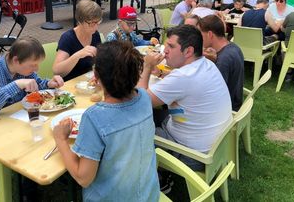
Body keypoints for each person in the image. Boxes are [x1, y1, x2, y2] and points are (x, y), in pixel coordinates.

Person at [53, 41, 160, 201]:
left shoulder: (95, 117)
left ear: (96, 77)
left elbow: (83, 178)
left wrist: (60, 139)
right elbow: (140, 87)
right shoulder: (144, 98)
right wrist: (147, 67)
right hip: (149, 194)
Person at [137, 24, 232, 170]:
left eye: (170, 46)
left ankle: (160, 179)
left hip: (192, 155)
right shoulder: (206, 64)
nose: (165, 51)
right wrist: (162, 74)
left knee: (134, 131)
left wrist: (147, 66)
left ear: (188, 51)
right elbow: (188, 84)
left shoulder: (183, 76)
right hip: (213, 147)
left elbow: (139, 102)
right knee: (158, 113)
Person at [0, 37, 64, 124]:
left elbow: (36, 85)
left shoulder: (23, 70)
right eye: (33, 65)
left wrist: (49, 83)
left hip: (9, 119)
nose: (36, 69)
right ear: (16, 60)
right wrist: (16, 84)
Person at [198, 15, 244, 111]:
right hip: (235, 99)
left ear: (210, 34)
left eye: (200, 34)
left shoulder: (223, 60)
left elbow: (213, 93)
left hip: (224, 108)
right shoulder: (233, 47)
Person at [53, 0, 102, 81]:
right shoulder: (68, 38)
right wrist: (78, 55)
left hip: (86, 83)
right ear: (80, 21)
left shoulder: (95, 34)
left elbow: (98, 63)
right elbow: (57, 71)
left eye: (98, 22)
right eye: (92, 23)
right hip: (69, 85)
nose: (96, 27)